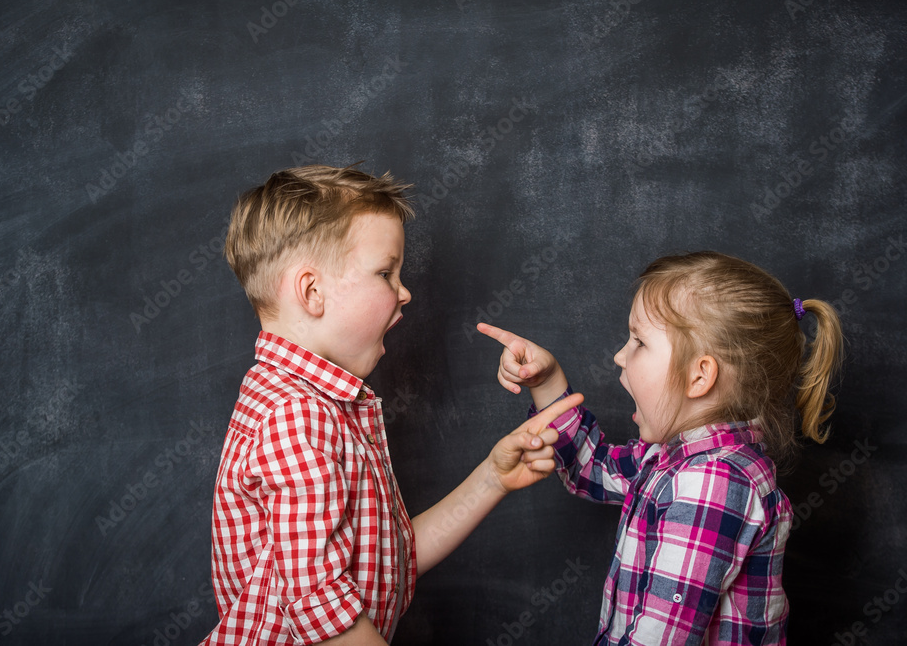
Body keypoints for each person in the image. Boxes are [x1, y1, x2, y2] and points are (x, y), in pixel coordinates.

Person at [200, 164, 580, 645]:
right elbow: (320, 606)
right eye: (385, 273)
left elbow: (388, 559)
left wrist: (492, 478)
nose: (405, 293)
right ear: (312, 292)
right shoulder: (296, 415)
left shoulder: (316, 404)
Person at [479, 251, 844, 645]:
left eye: (638, 341)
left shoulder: (713, 483)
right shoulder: (676, 458)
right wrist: (547, 383)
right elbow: (593, 468)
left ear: (699, 376)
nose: (620, 355)